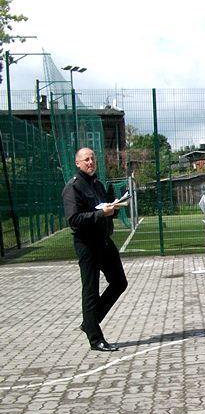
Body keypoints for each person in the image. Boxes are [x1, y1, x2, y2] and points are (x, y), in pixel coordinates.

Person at [62, 147, 128, 352]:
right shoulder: (72, 188)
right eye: (86, 160)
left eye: (92, 159)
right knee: (90, 290)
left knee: (119, 282)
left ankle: (90, 322)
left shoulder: (97, 184)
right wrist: (101, 214)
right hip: (87, 245)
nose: (90, 162)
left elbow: (102, 209)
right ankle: (95, 338)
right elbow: (74, 219)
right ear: (78, 163)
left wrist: (113, 209)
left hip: (104, 241)